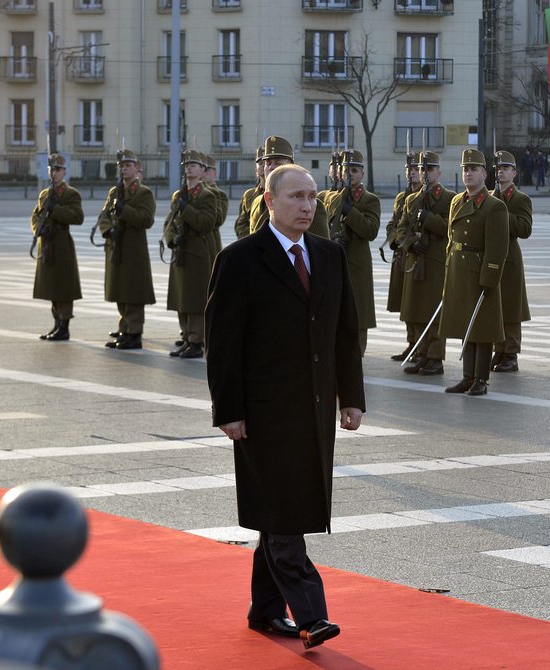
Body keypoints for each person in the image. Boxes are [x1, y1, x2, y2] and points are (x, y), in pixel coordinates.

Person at [205, 163, 365, 650]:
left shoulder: (330, 255)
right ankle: (312, 615)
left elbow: (344, 333)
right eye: (296, 197)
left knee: (280, 509)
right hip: (262, 413)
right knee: (281, 513)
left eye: (313, 197)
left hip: (313, 412)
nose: (307, 206)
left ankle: (265, 609)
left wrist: (351, 398)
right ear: (269, 202)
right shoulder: (240, 259)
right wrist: (228, 410)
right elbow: (222, 343)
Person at [441, 149, 510, 396]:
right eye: (465, 169)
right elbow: (451, 239)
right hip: (460, 270)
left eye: (473, 169)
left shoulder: (494, 206)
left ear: (484, 173)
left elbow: (498, 248)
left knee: (482, 327)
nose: (468, 173)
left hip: (479, 270)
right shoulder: (457, 201)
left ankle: (481, 379)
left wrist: (489, 278)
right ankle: (467, 376)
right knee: (464, 325)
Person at [396, 151, 455, 376]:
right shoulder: (411, 199)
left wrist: (427, 218)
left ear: (439, 172)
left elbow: (449, 227)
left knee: (434, 312)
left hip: (437, 262)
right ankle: (421, 354)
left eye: (429, 169)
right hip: (417, 261)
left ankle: (435, 357)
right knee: (417, 309)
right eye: (422, 169)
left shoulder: (449, 198)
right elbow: (402, 228)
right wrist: (410, 243)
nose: (425, 174)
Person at [322, 149, 380, 353]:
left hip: (357, 261)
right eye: (346, 170)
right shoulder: (331, 197)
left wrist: (350, 211)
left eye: (354, 170)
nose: (349, 174)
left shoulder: (369, 199)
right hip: (334, 258)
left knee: (359, 309)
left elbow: (370, 230)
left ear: (362, 173)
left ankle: (357, 352)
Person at [162, 150, 219, 359]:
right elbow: (169, 222)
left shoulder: (207, 195)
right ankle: (186, 337)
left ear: (203, 171)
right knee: (181, 297)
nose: (189, 168)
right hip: (181, 251)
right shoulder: (179, 195)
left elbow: (206, 223)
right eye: (186, 164)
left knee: (195, 298)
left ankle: (197, 340)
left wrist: (186, 210)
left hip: (197, 252)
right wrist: (170, 239)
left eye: (194, 165)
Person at [97, 149, 156, 350]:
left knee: (133, 293)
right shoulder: (115, 192)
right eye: (122, 166)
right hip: (116, 247)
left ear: (137, 168)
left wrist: (124, 210)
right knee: (120, 291)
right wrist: (108, 231)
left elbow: (146, 219)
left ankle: (135, 333)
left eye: (128, 165)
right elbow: (103, 216)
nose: (124, 169)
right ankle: (124, 330)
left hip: (133, 249)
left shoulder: (143, 192)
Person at [30, 153, 83, 341]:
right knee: (51, 286)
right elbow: (35, 216)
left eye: (58, 170)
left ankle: (64, 326)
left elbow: (77, 217)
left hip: (62, 245)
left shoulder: (71, 194)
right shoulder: (45, 194)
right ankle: (56, 323)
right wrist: (38, 230)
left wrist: (55, 209)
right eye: (52, 169)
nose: (54, 173)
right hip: (47, 244)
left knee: (63, 288)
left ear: (64, 172)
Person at [233, 136, 328, 240]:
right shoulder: (257, 202)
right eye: (268, 163)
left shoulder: (311, 205)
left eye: (278, 163)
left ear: (291, 166)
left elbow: (321, 249)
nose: (271, 167)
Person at [490, 150, 532, 374]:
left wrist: (500, 211)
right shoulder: (489, 195)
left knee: (511, 309)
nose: (501, 172)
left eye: (505, 168)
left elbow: (525, 229)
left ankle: (511, 353)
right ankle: (499, 349)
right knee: (495, 306)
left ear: (514, 173)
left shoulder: (520, 198)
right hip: (490, 257)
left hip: (510, 258)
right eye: (498, 168)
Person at [386, 153, 421, 362]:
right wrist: (394, 240)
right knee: (406, 302)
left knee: (418, 301)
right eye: (410, 169)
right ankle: (411, 343)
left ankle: (420, 344)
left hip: (416, 254)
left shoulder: (424, 196)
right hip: (402, 254)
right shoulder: (402, 197)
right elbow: (394, 224)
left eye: (417, 169)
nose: (413, 173)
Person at [233, 145, 265, 239]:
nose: (263, 165)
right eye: (260, 163)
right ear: (256, 170)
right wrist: (252, 239)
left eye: (267, 162)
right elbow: (240, 224)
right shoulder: (249, 195)